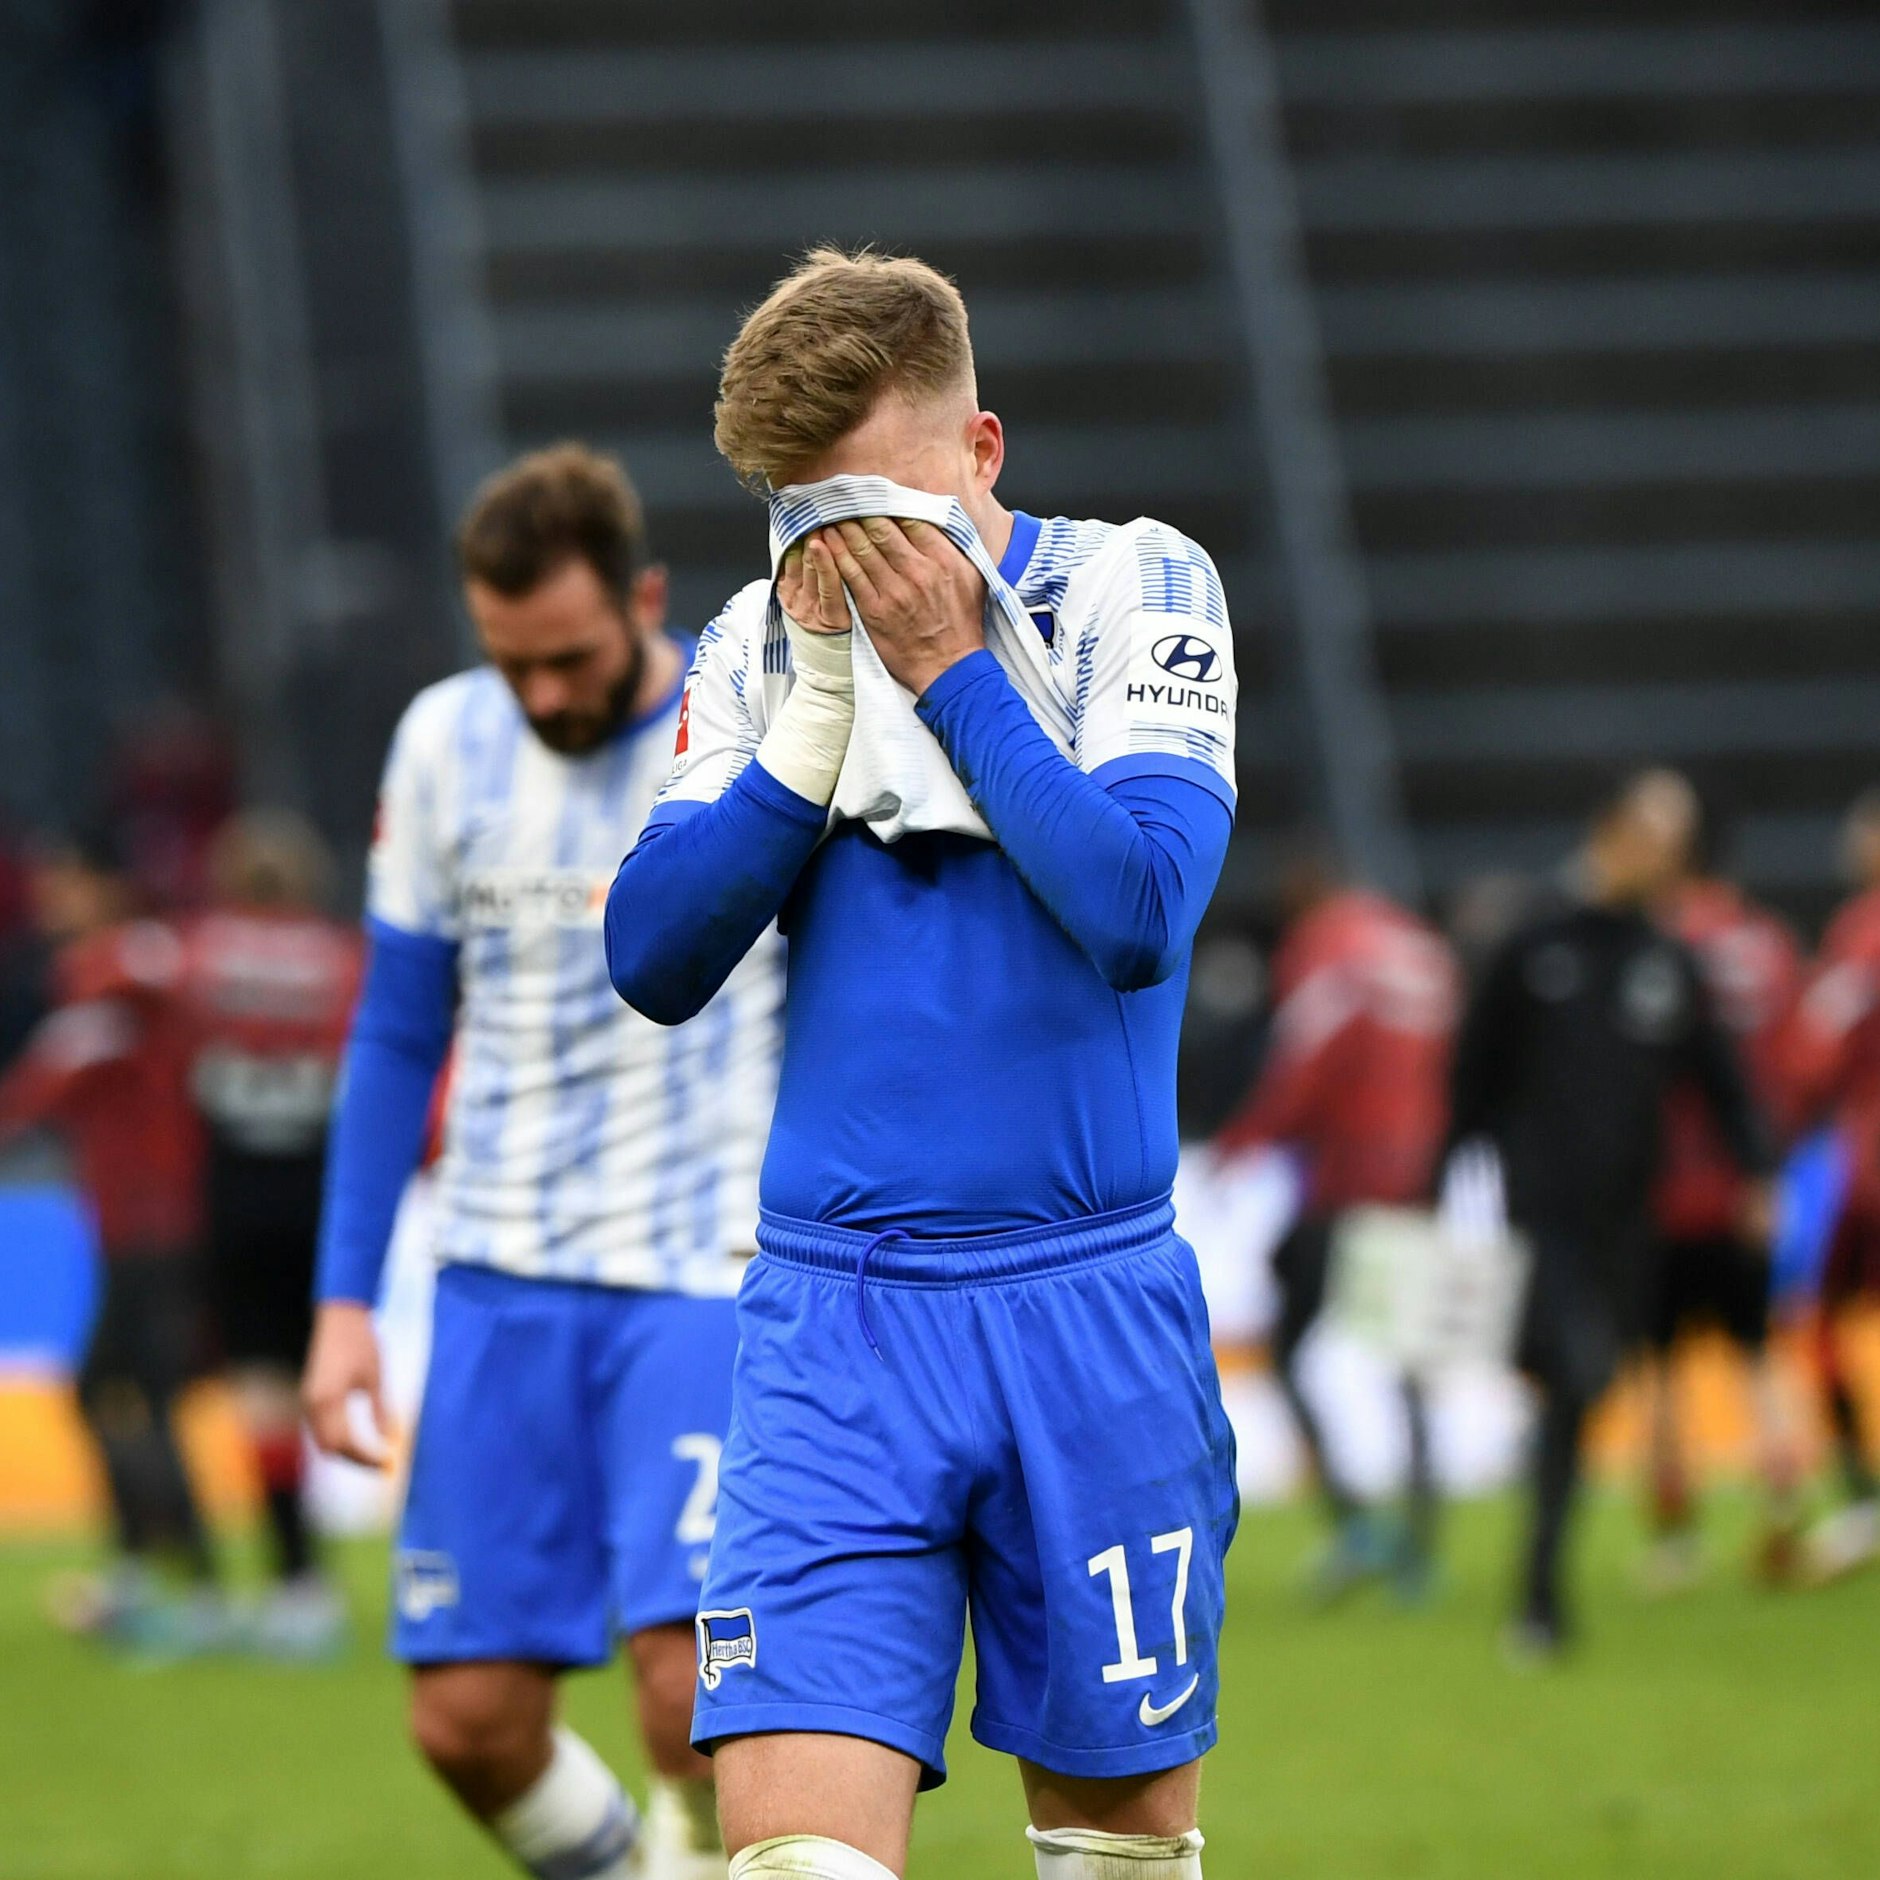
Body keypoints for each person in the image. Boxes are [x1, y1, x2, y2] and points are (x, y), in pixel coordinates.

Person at [609, 250, 1240, 1880]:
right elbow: (653, 961)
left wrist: (953, 673)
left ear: (985, 453)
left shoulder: (1136, 589)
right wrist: (814, 717)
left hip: (1084, 1309)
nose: (865, 565)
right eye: (819, 523)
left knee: (1116, 1851)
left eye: (893, 511)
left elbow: (1137, 908)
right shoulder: (761, 643)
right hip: (840, 1325)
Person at [302, 445, 782, 1880]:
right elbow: (395, 1035)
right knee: (467, 1720)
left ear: (645, 596)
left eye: (569, 656)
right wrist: (342, 1307)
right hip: (500, 1277)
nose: (545, 695)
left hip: (704, 1267)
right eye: (514, 663)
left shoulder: (750, 716)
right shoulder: (444, 742)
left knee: (690, 1683)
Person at [1445, 771, 1773, 1655]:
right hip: (1537, 1213)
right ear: (1611, 835)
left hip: (1627, 1221)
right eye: (1652, 842)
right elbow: (1472, 1074)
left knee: (1579, 1391)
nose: (1663, 863)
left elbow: (1722, 1079)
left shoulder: (1666, 964)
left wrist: (1756, 1175)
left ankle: (1539, 1593)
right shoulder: (1533, 946)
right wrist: (1435, 1181)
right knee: (1580, 1371)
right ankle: (1540, 1601)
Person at [1214, 848, 1459, 1601]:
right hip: (1417, 1180)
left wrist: (1246, 1138)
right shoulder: (1422, 950)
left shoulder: (1326, 948)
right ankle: (1420, 1548)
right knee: (1410, 1360)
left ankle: (1357, 1525)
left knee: (1290, 1350)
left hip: (1347, 1185)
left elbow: (1305, 1058)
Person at [0, 829, 220, 1650]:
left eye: (66, 885)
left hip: (155, 1220)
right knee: (113, 1390)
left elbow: (54, 1075)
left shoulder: (121, 967)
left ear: (103, 888)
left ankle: (192, 1587)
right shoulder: (126, 974)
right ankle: (142, 1570)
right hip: (139, 1217)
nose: (52, 903)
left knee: (134, 1394)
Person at [180, 809, 362, 1652]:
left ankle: (290, 1571)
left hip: (234, 1181)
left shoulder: (201, 954)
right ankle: (312, 1576)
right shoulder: (336, 958)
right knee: (316, 1364)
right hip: (317, 1182)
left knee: (259, 1386)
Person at [1635, 783, 1807, 1588]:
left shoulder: (1663, 943)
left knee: (1659, 1363)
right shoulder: (1770, 945)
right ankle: (1783, 1514)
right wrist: (1770, 1166)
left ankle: (1676, 1539)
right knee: (1760, 1351)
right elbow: (1799, 1062)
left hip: (1667, 1188)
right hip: (1750, 1184)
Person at [1784, 786, 1880, 1581]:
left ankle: (1861, 1494)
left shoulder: (1864, 933)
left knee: (1819, 1321)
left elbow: (1819, 1046)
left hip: (1873, 1168)